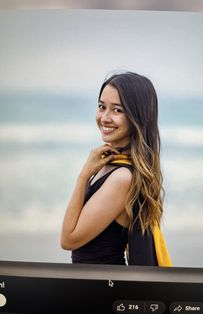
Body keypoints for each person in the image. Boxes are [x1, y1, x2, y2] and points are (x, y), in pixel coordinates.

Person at [60, 71, 172, 266]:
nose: (105, 117)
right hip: (93, 284)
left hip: (101, 289)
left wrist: (83, 176)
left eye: (117, 110)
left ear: (136, 117)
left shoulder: (122, 178)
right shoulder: (113, 165)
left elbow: (69, 239)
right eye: (102, 107)